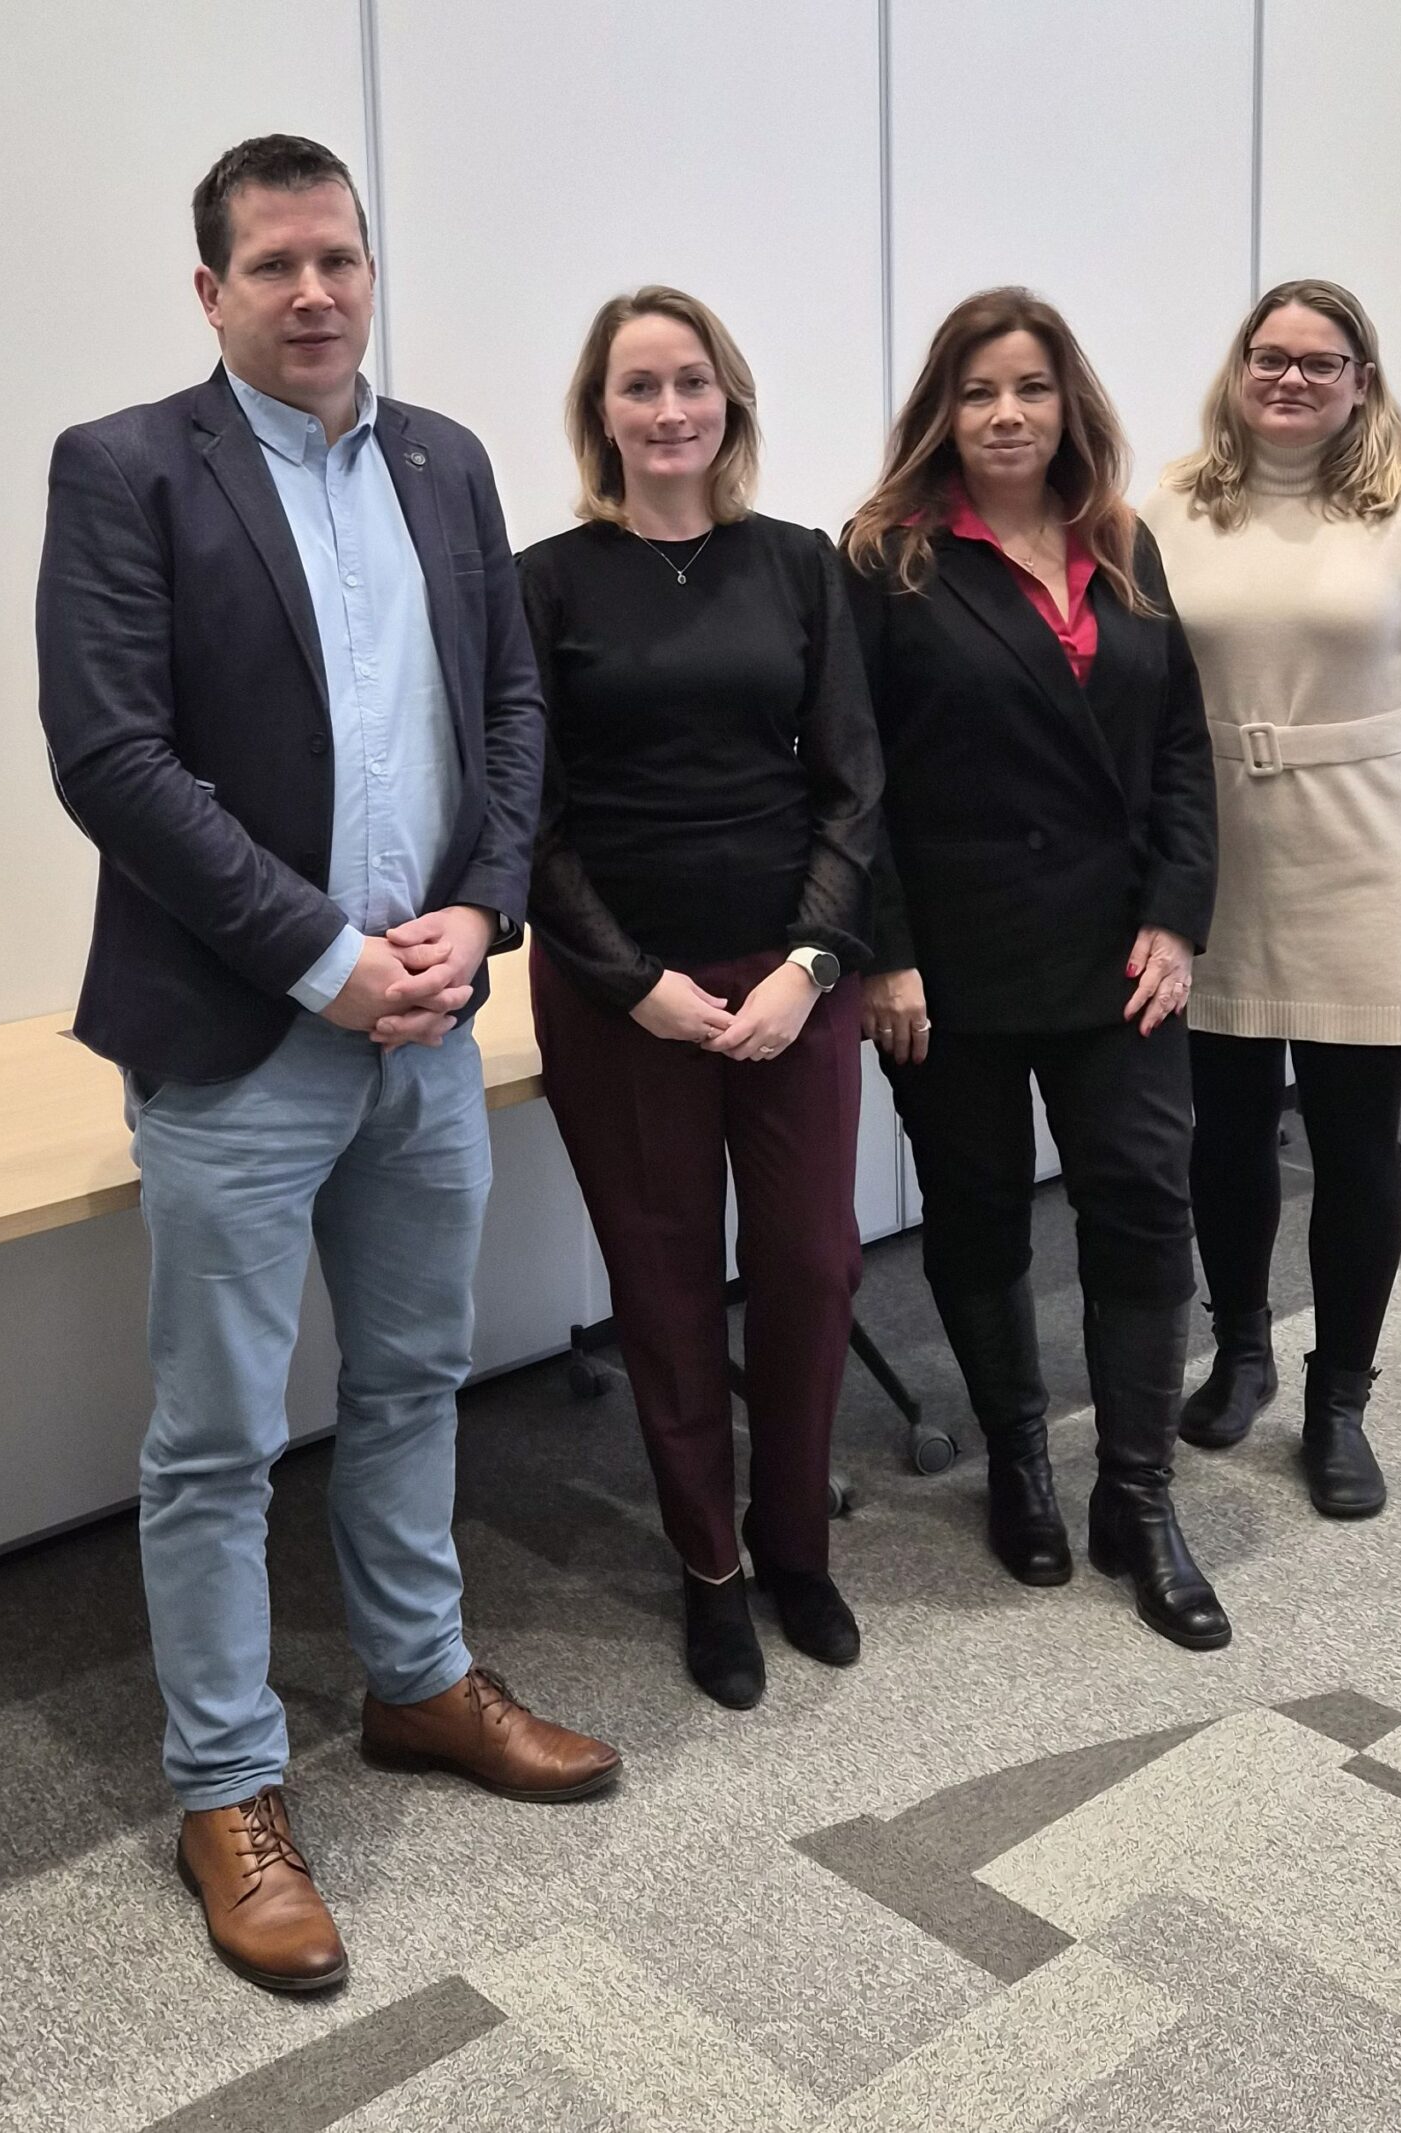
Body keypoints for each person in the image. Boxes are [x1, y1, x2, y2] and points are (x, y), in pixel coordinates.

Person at [35, 134, 618, 1998]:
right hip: (240, 1041)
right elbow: (112, 757)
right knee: (216, 1437)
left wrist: (479, 909)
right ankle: (225, 1787)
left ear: (372, 272)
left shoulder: (445, 459)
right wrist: (320, 954)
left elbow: (509, 704)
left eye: (339, 259)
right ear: (210, 290)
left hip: (428, 1026)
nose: (313, 293)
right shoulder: (128, 468)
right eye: (274, 264)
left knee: (416, 1376)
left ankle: (420, 1680)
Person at [845, 287, 1228, 1653]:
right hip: (950, 964)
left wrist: (1177, 917)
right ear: (941, 412)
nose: (1006, 415)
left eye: (1030, 389)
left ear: (1069, 404)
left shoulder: (1120, 541)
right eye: (978, 392)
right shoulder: (888, 559)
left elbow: (1179, 745)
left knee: (1145, 1203)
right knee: (979, 1212)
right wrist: (884, 953)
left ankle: (1139, 1494)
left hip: (1117, 952)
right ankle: (1019, 1457)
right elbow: (854, 780)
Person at [519, 287, 882, 1710]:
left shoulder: (797, 565)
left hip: (790, 976)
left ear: (729, 401)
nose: (668, 410)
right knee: (665, 1285)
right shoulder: (544, 584)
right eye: (638, 387)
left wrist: (811, 962)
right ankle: (711, 1567)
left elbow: (853, 785)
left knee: (812, 1264)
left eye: (691, 382)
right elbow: (527, 816)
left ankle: (796, 1545)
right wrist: (632, 985)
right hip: (623, 994)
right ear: (599, 415)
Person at [1142, 279, 1401, 1517]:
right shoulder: (1171, 505)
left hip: (1366, 855)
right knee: (1223, 1129)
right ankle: (1241, 1350)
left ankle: (1340, 1400)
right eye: (1269, 357)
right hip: (1216, 852)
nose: (1291, 379)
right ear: (1237, 369)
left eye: (1321, 362)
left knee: (1356, 1139)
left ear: (1361, 381)